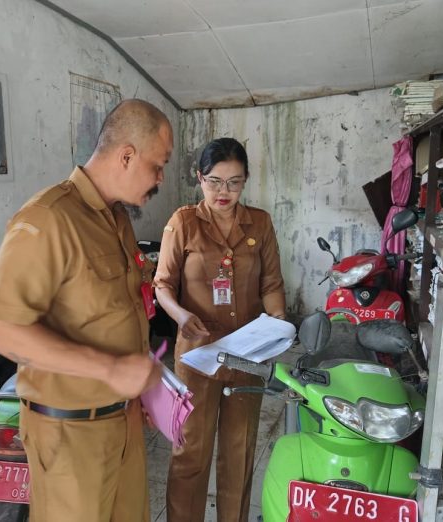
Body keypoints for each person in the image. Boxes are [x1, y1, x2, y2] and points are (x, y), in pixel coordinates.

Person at [0, 99, 173, 522]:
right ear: (126, 155)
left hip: (122, 423)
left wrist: (137, 390)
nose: (161, 178)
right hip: (69, 435)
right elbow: (0, 331)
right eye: (158, 165)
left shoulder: (116, 218)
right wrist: (110, 369)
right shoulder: (48, 219)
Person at [153, 137, 286, 522]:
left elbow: (272, 284)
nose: (223, 192)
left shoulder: (259, 223)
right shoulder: (183, 222)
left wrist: (277, 322)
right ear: (200, 178)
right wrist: (179, 315)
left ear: (246, 180)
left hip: (249, 356)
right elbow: (163, 284)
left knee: (239, 451)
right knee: (190, 452)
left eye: (234, 182)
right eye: (214, 181)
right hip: (197, 355)